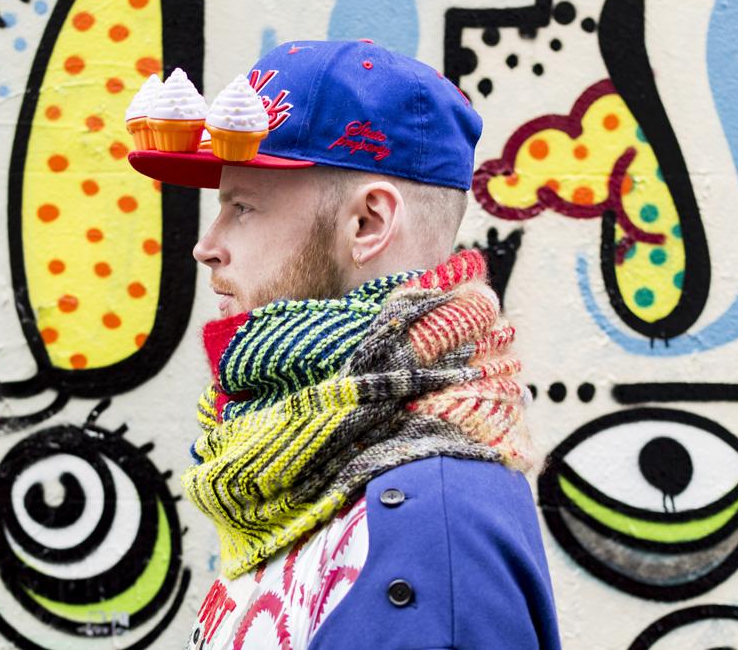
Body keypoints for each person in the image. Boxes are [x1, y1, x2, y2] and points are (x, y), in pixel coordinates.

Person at [128, 39, 561, 649]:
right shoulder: (299, 479)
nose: (207, 246)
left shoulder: (431, 526)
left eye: (243, 207)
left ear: (367, 224)